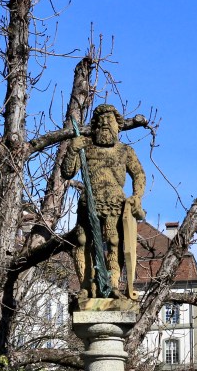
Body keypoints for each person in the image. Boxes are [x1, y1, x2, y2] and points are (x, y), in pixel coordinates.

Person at [61, 104, 146, 308]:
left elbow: (139, 174)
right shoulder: (86, 147)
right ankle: (86, 285)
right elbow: (67, 172)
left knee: (113, 242)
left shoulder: (125, 151)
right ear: (95, 126)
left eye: (110, 121)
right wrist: (73, 149)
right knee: (82, 241)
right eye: (101, 121)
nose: (105, 124)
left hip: (114, 204)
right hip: (88, 203)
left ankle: (113, 284)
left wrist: (137, 196)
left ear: (118, 126)